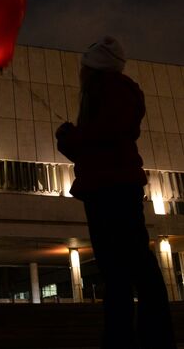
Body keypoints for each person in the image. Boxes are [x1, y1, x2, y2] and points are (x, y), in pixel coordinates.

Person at [55, 36, 176, 349]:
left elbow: (102, 139)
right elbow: (99, 144)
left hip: (112, 189)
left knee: (129, 266)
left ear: (94, 68)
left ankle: (143, 337)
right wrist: (74, 141)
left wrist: (73, 139)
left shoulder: (111, 91)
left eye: (84, 66)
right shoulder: (112, 93)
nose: (80, 73)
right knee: (122, 268)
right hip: (108, 187)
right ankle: (131, 337)